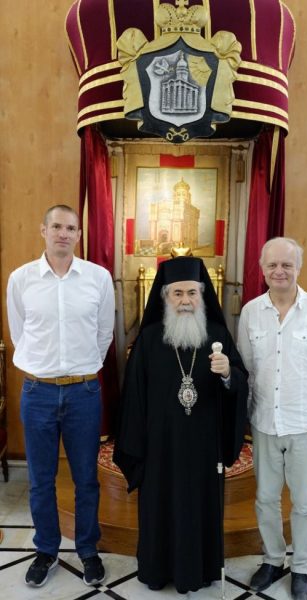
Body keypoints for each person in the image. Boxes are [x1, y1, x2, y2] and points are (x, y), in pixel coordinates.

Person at [113, 256, 248, 594]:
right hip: (161, 446)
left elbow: (240, 382)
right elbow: (133, 399)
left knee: (200, 508)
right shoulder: (147, 341)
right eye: (177, 294)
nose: (186, 300)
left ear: (203, 295)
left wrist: (228, 373)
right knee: (160, 507)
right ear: (164, 297)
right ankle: (157, 571)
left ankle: (199, 571)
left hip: (204, 445)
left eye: (192, 293)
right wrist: (137, 444)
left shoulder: (217, 335)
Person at [6, 205, 115, 588]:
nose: (64, 234)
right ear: (43, 230)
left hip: (84, 392)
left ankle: (88, 550)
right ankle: (46, 549)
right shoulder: (21, 279)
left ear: (79, 235)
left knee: (86, 477)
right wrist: (47, 367)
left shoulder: (98, 278)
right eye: (57, 226)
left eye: (71, 228)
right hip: (37, 392)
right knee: (40, 479)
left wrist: (81, 368)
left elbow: (105, 333)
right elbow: (20, 333)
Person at [237, 237, 307, 600]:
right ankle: (272, 559)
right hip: (264, 422)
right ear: (262, 268)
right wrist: (242, 419)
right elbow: (245, 370)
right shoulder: (251, 311)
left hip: (305, 424)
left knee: (304, 501)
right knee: (265, 498)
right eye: (272, 265)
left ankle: (301, 566)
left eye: (287, 265)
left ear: (298, 267)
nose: (279, 271)